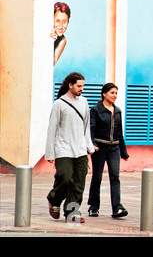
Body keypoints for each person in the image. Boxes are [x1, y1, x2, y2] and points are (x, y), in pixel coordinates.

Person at [45, 72, 95, 223]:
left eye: (83, 86)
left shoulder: (84, 102)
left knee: (78, 183)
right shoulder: (59, 104)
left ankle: (72, 212)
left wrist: (89, 148)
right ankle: (54, 199)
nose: (81, 89)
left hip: (80, 150)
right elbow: (52, 129)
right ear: (70, 85)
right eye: (79, 86)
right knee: (65, 178)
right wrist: (49, 152)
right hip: (63, 149)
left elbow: (86, 127)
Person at [87, 83, 130, 218]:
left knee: (115, 177)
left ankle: (117, 208)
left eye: (116, 93)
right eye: (112, 93)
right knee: (97, 177)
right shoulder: (95, 110)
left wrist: (123, 152)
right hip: (100, 148)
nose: (115, 96)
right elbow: (91, 129)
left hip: (114, 148)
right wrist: (92, 144)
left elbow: (119, 132)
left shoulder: (117, 111)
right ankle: (93, 207)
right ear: (104, 94)